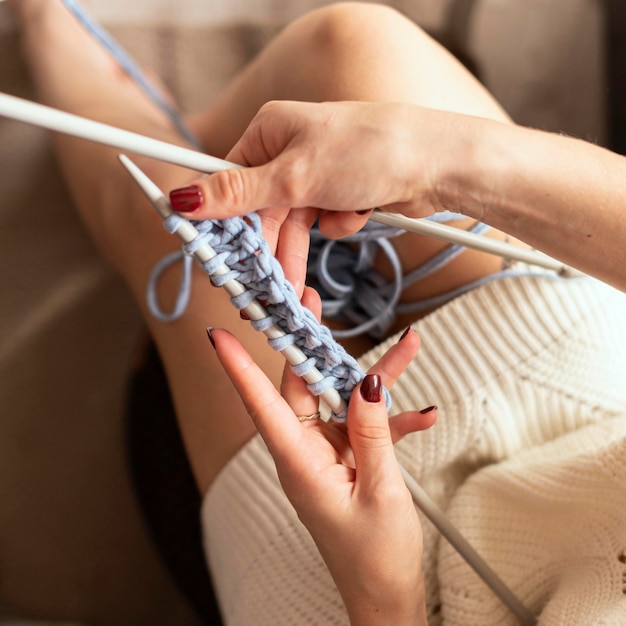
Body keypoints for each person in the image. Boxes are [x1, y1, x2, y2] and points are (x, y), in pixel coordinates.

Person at [10, 1, 626, 625]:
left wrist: (382, 590)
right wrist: (441, 162)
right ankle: (192, 130)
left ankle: (57, 43)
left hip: (381, 576)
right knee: (352, 47)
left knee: (167, 214)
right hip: (586, 395)